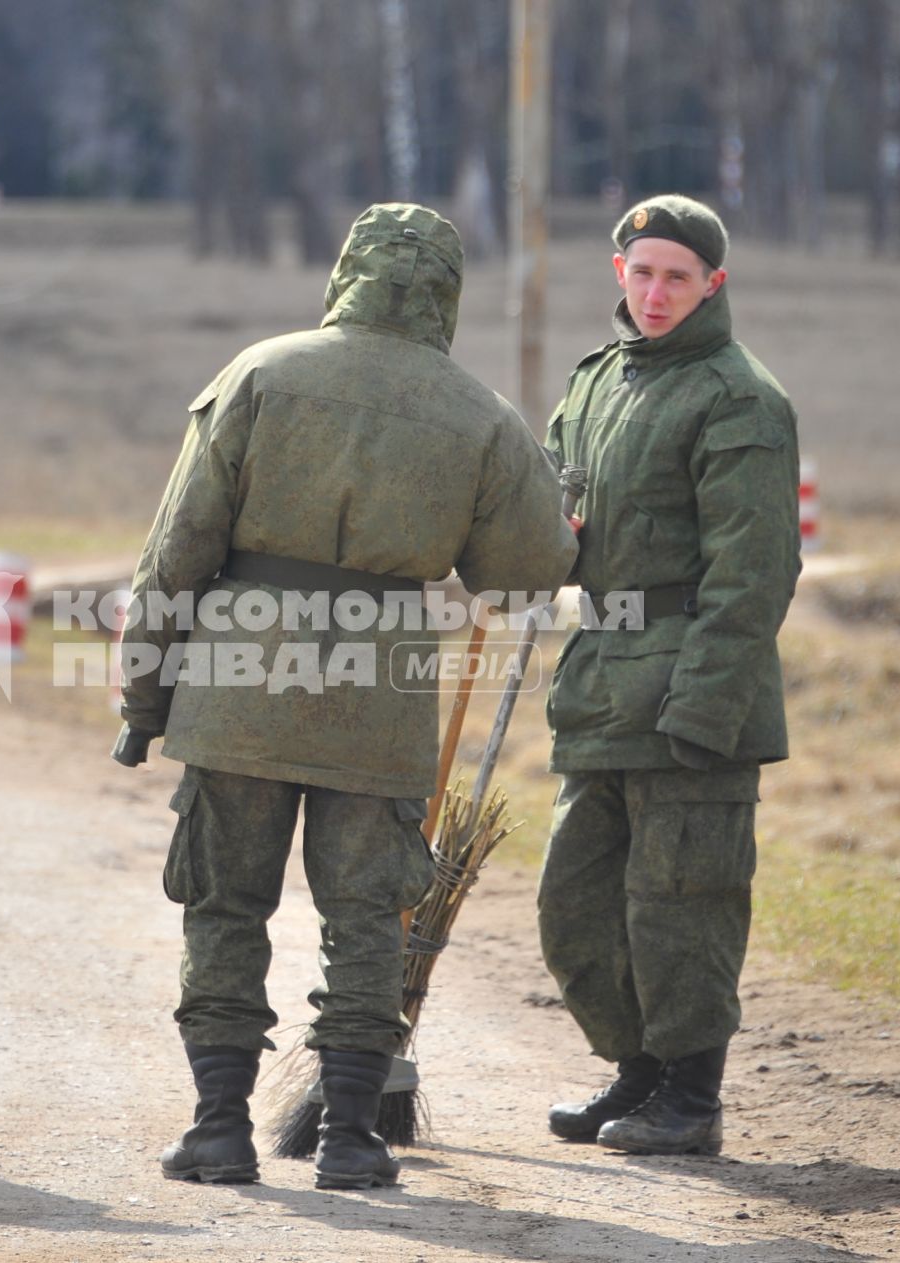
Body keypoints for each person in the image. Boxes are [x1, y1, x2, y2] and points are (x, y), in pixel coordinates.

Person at [115, 203, 576, 1189]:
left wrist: (144, 695)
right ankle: (353, 1137)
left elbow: (180, 546)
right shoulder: (480, 413)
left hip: (239, 679)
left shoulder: (260, 373)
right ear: (447, 293)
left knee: (224, 902)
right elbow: (525, 576)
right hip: (384, 684)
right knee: (367, 912)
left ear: (345, 274)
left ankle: (220, 1129)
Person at [537, 194, 801, 1156]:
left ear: (712, 286)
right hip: (601, 686)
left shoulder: (740, 399)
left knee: (682, 905)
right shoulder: (598, 382)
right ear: (619, 275)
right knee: (577, 906)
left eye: (677, 278)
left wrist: (706, 707)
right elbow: (554, 511)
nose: (656, 294)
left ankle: (692, 1100)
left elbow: (755, 574)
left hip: (692, 693)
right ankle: (638, 1073)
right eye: (642, 273)